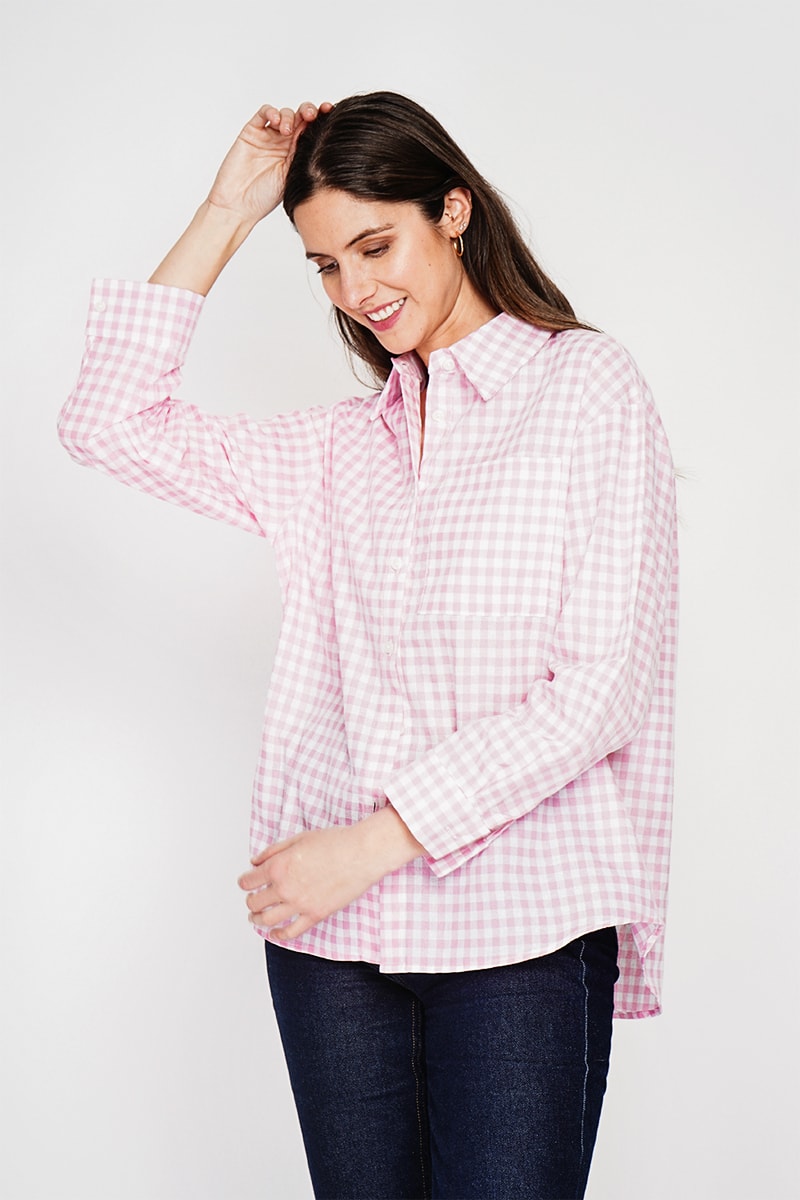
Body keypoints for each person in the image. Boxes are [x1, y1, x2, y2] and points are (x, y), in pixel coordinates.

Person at [59, 92, 678, 1199]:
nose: (354, 290)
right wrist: (230, 206)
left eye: (374, 245)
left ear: (453, 210)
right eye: (324, 265)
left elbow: (600, 690)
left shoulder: (585, 387)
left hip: (521, 927)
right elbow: (105, 421)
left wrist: (374, 842)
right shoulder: (337, 449)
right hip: (330, 948)